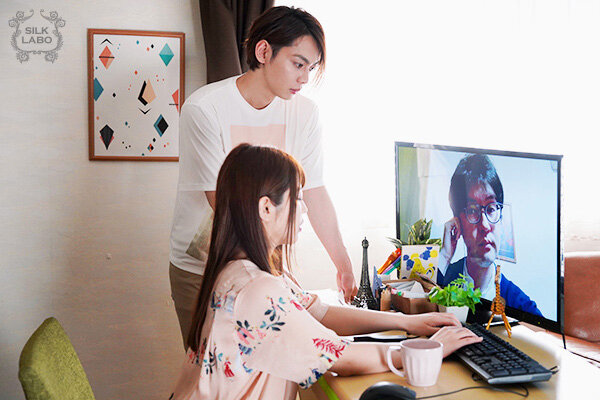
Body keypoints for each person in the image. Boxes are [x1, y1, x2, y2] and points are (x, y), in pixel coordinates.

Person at [169, 144, 482, 400]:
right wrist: (431, 349)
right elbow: (340, 358)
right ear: (266, 208)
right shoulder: (257, 289)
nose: (304, 208)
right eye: (298, 198)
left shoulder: (250, 272)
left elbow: (320, 314)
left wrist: (407, 322)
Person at [169, 6, 358, 346]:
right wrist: (274, 277)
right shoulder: (205, 108)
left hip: (264, 265)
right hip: (203, 267)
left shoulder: (305, 113)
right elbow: (223, 203)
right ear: (263, 51)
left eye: (311, 68)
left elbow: (314, 190)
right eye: (298, 64)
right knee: (212, 368)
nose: (305, 78)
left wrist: (342, 262)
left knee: (271, 366)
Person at [437, 154, 543, 316]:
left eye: (491, 208)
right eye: (472, 210)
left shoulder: (520, 305)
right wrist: (444, 256)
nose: (485, 225)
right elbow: (420, 307)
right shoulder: (443, 279)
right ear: (457, 221)